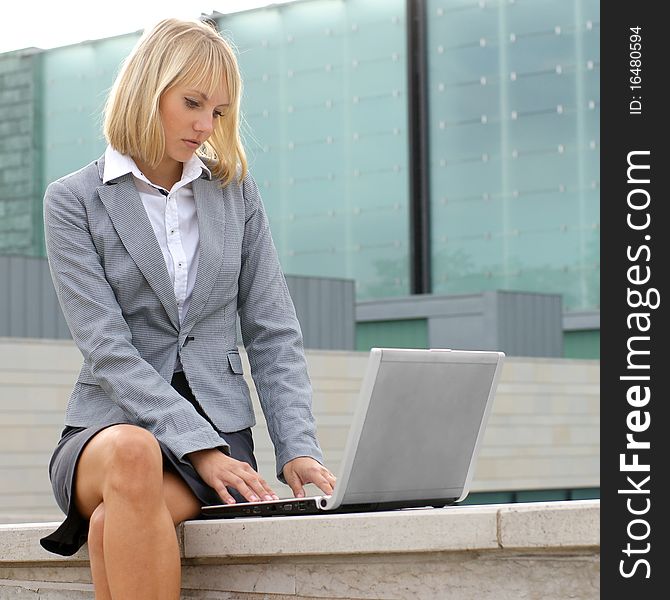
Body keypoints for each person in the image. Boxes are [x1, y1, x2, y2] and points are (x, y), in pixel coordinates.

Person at [38, 17, 336, 599]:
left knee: (112, 526)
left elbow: (272, 330)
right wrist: (198, 447)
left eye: (219, 112)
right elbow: (107, 351)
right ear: (149, 91)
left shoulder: (235, 192)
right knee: (133, 452)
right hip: (107, 431)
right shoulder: (73, 200)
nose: (206, 126)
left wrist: (297, 447)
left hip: (224, 436)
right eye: (192, 102)